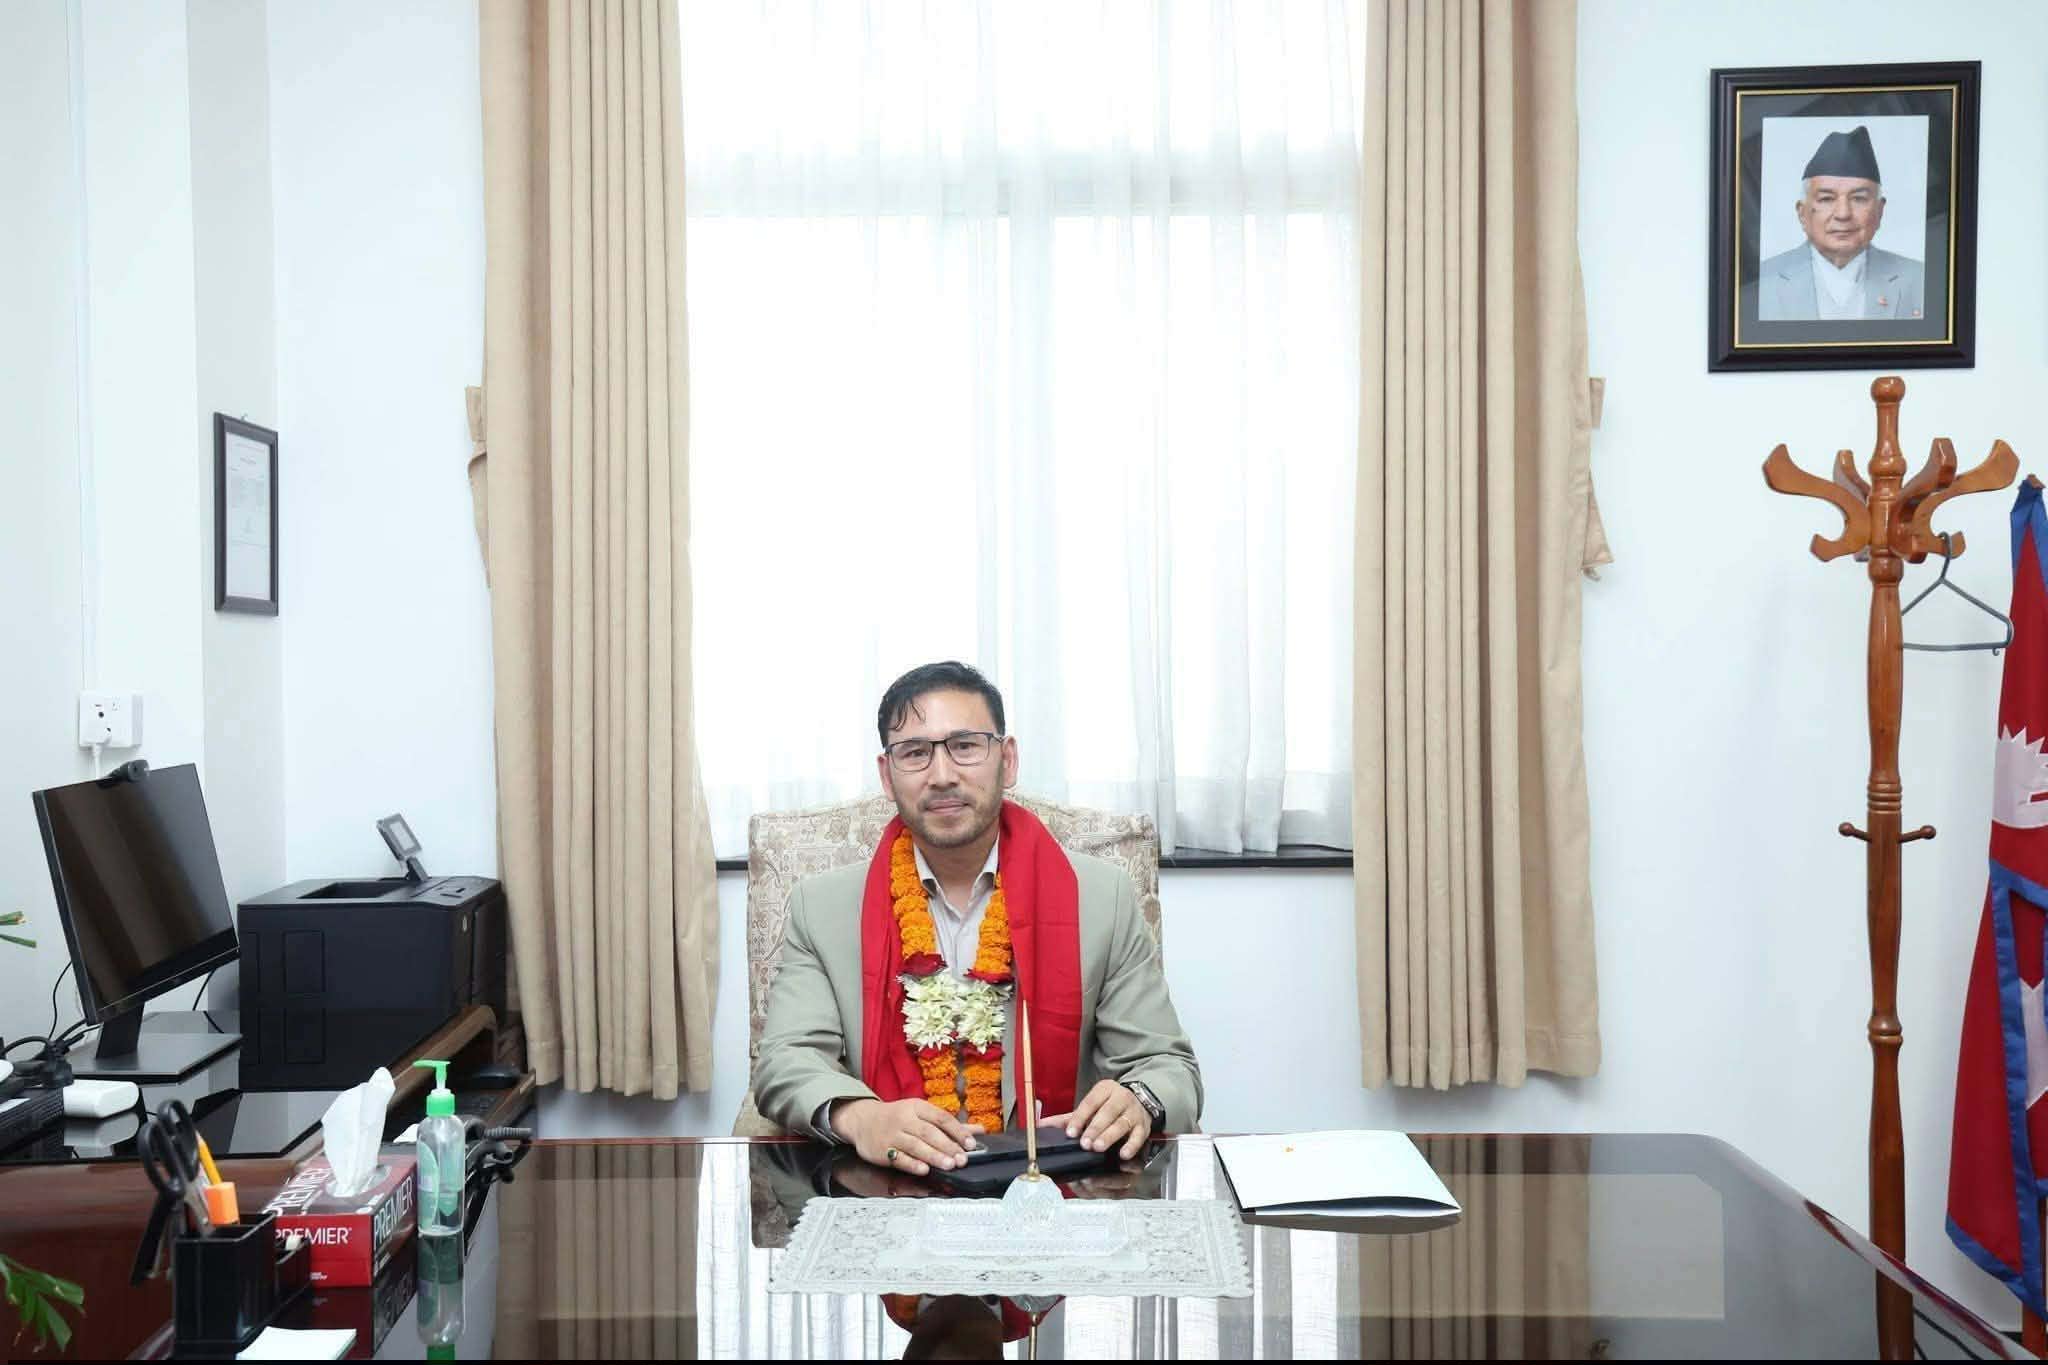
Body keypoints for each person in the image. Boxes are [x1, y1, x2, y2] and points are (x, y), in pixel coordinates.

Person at [752, 660, 1202, 1174]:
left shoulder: (1101, 898)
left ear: (1007, 761)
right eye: (915, 753)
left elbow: (1169, 1067)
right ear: (887, 774)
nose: (942, 775)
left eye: (965, 746)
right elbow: (786, 1061)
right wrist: (859, 1117)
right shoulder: (822, 907)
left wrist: (1139, 1100)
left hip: (1055, 1185)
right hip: (889, 1185)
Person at [1758, 125, 1924, 322]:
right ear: (1802, 213)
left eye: (1859, 198)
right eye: (1827, 199)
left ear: (1879, 211)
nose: (1843, 214)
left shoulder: (1919, 279)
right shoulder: (1762, 282)